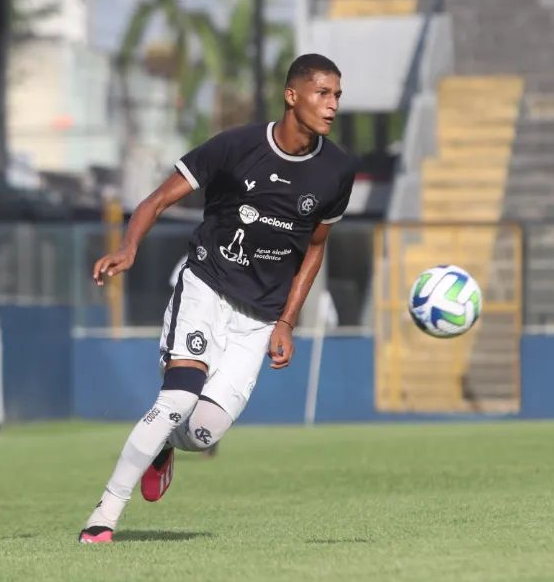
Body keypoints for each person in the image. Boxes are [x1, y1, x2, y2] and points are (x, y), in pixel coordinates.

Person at [79, 53, 356, 544]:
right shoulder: (236, 146)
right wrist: (128, 247)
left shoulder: (336, 170)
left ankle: (164, 447)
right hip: (206, 287)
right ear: (292, 96)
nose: (332, 105)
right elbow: (157, 199)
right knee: (177, 398)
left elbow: (315, 248)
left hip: (260, 319)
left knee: (202, 432)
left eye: (337, 95)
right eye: (322, 93)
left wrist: (287, 322)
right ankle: (104, 515)